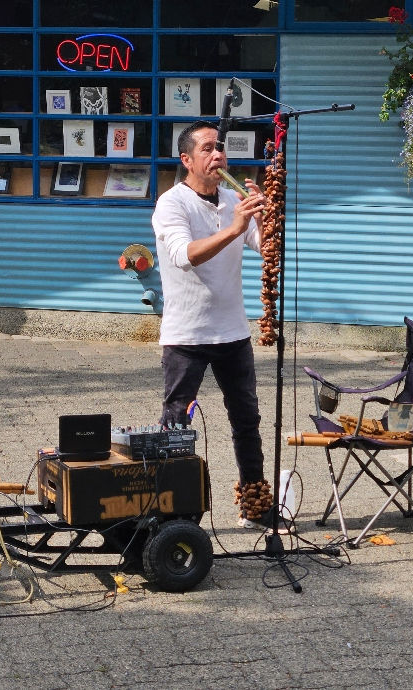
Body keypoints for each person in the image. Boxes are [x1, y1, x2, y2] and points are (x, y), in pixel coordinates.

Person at [152, 120, 282, 531]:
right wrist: (235, 227)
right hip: (187, 336)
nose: (217, 156)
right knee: (175, 424)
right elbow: (184, 255)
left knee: (247, 422)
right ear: (187, 159)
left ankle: (256, 505)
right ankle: (171, 512)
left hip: (233, 332)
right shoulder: (172, 204)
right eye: (207, 149)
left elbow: (266, 247)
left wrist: (267, 214)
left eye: (220, 148)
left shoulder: (232, 198)